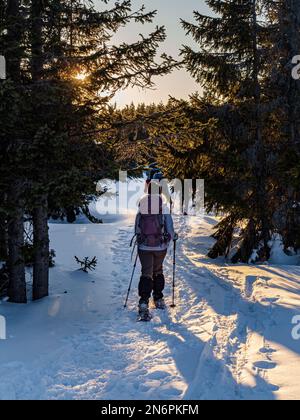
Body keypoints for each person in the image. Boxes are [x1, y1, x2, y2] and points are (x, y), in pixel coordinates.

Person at [134, 175, 177, 319]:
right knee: (158, 270)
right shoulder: (163, 207)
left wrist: (141, 240)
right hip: (160, 247)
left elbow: (137, 229)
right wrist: (170, 238)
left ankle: (143, 303)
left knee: (146, 272)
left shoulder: (142, 207)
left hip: (144, 247)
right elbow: (170, 229)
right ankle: (158, 298)